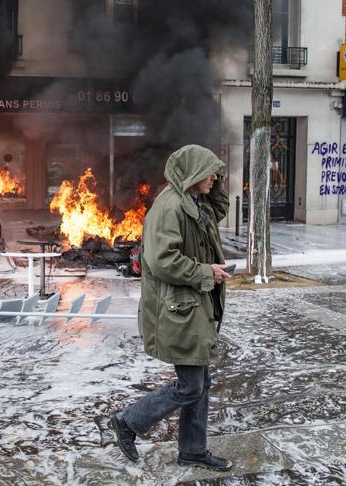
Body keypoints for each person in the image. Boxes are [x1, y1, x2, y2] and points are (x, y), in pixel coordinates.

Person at [110, 144, 233, 471]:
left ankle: (193, 449)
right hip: (179, 309)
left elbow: (218, 209)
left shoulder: (193, 200)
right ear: (192, 174)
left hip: (192, 307)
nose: (215, 177)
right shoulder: (170, 206)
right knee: (191, 385)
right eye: (209, 172)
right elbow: (162, 261)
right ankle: (128, 421)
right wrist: (206, 272)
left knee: (200, 382)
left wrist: (213, 179)